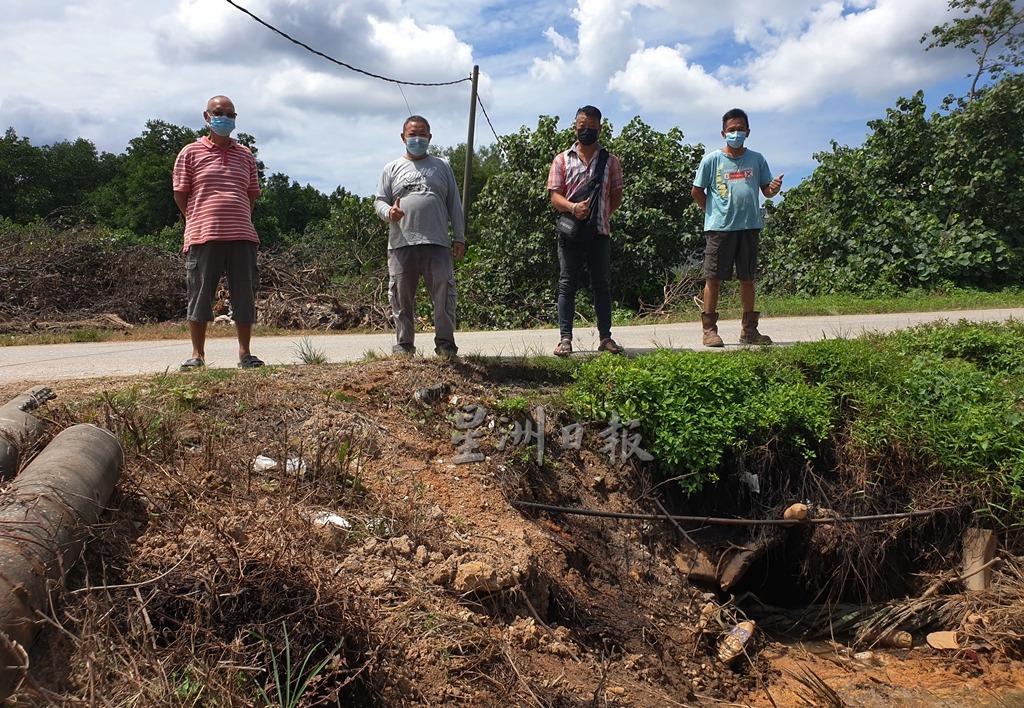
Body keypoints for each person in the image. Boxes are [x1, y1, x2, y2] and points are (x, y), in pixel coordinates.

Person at [173, 95, 264, 370]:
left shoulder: (246, 154)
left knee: (244, 295)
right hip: (203, 234)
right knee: (199, 294)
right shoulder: (190, 152)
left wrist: (239, 217)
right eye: (218, 112)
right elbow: (180, 194)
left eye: (229, 114)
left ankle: (245, 354)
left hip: (242, 235)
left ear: (235, 119)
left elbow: (251, 194)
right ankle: (197, 355)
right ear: (206, 116)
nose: (224, 117)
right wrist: (196, 219)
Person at [374, 115, 466, 357]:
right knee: (401, 298)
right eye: (412, 134)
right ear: (403, 137)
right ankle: (404, 346)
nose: (417, 138)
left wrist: (459, 237)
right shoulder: (391, 168)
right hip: (401, 244)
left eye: (422, 134)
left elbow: (454, 203)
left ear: (430, 137)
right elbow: (379, 202)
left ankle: (445, 345)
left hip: (437, 243)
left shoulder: (442, 166)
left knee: (444, 294)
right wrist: (388, 212)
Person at [691, 108, 783, 347]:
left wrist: (774, 188)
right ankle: (709, 330)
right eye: (731, 130)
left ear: (748, 132)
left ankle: (749, 331)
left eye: (740, 129)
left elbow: (767, 191)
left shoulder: (757, 159)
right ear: (723, 133)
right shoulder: (712, 160)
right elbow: (696, 191)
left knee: (748, 279)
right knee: (713, 279)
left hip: (750, 227)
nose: (736, 133)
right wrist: (713, 212)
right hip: (720, 229)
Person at [547, 105, 625, 357]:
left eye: (592, 128)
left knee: (601, 285)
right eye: (583, 127)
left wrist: (598, 217)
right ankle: (565, 339)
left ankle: (605, 338)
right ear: (575, 128)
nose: (587, 132)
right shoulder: (561, 159)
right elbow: (555, 197)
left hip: (600, 233)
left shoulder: (610, 161)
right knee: (567, 284)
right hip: (570, 234)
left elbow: (616, 198)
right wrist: (573, 208)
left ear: (600, 129)